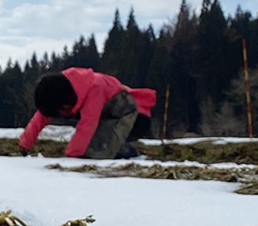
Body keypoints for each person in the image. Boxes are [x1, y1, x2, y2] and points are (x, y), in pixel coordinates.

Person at [17, 68, 157, 159]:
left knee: (97, 152)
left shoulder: (94, 90)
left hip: (134, 117)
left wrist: (71, 157)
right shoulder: (60, 88)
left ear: (65, 105)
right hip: (106, 118)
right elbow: (40, 117)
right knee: (90, 147)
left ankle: (127, 152)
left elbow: (87, 126)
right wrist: (25, 143)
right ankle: (119, 147)